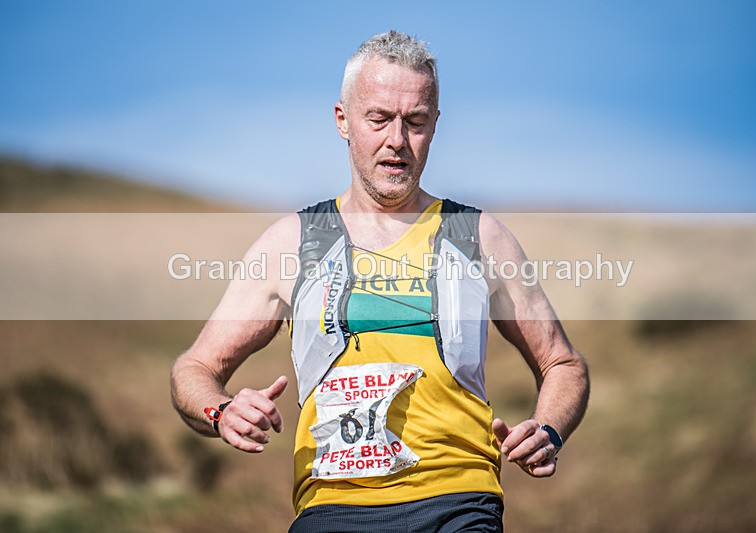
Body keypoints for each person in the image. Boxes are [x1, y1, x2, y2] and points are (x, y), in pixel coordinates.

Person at [171, 30, 589, 532]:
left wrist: (548, 430)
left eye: (415, 121)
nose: (397, 140)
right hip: (331, 507)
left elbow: (563, 362)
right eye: (379, 119)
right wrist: (221, 411)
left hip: (458, 503)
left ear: (435, 125)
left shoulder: (479, 236)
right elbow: (194, 368)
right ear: (342, 120)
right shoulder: (292, 243)